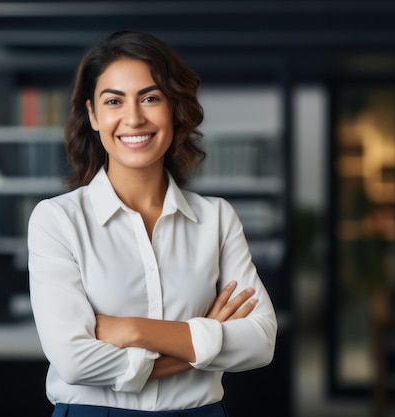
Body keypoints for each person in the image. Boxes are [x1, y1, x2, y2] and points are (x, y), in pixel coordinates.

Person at [27, 30, 277, 417]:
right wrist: (203, 337)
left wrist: (133, 331)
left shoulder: (216, 218)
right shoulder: (57, 220)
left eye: (150, 97)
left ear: (174, 109)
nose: (133, 118)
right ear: (93, 115)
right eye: (114, 101)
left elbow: (260, 341)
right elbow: (74, 361)